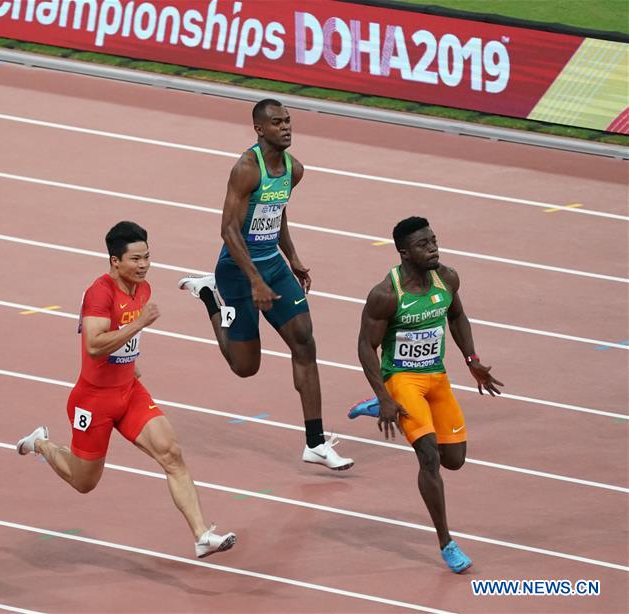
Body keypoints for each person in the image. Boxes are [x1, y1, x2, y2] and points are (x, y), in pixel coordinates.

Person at [17, 221, 236, 558]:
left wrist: (131, 362)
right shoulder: (99, 293)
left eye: (147, 257)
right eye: (135, 259)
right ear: (114, 261)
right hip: (93, 401)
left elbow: (122, 341)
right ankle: (42, 444)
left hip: (129, 391)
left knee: (172, 454)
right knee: (84, 482)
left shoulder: (142, 289)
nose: (144, 265)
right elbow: (93, 345)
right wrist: (138, 324)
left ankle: (202, 535)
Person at [178, 98, 352, 471]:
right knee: (245, 367)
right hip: (237, 270)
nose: (286, 127)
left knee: (304, 342)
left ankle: (316, 442)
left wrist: (293, 258)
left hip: (273, 265)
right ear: (259, 129)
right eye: (277, 123)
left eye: (288, 121)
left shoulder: (295, 169)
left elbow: (277, 209)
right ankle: (209, 295)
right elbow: (228, 229)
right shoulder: (246, 169)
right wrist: (253, 280)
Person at [355, 216, 503, 573]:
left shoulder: (447, 278)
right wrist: (386, 393)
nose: (433, 248)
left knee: (454, 459)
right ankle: (447, 543)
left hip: (436, 377)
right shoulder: (386, 294)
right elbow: (365, 346)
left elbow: (457, 316)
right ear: (404, 252)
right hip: (402, 379)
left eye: (434, 241)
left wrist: (472, 360)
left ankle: (381, 407)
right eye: (424, 245)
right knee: (428, 457)